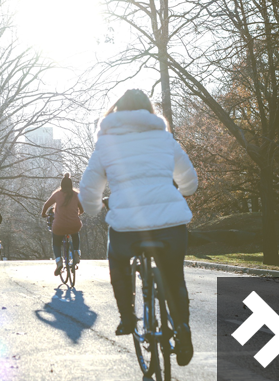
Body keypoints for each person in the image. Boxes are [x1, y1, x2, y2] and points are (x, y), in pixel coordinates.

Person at [78, 89, 198, 367]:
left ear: (117, 112)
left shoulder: (106, 144)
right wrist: (181, 191)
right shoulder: (165, 139)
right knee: (174, 277)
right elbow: (189, 181)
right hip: (171, 224)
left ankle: (128, 318)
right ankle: (182, 329)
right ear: (149, 111)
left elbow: (88, 189)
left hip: (127, 227)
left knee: (118, 260)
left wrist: (95, 209)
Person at [41, 173, 84, 276]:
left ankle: (59, 261)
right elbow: (82, 208)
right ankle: (76, 251)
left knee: (56, 242)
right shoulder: (76, 195)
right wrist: (78, 213)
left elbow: (46, 204)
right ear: (71, 185)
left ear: (61, 185)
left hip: (59, 226)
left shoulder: (57, 194)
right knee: (75, 234)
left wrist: (43, 214)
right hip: (74, 225)